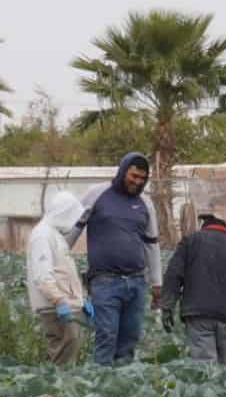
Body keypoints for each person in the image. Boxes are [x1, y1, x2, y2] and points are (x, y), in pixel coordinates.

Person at [67, 152, 162, 366]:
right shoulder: (97, 193)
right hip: (105, 281)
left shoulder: (146, 203)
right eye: (133, 176)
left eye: (142, 179)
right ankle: (101, 388)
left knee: (130, 339)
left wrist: (157, 282)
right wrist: (60, 257)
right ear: (122, 171)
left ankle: (123, 387)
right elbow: (73, 230)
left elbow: (152, 243)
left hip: (137, 282)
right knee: (106, 337)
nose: (137, 182)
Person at [160, 214, 226, 363]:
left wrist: (167, 307)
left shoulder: (190, 242)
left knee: (205, 370)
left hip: (198, 315)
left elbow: (173, 276)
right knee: (223, 373)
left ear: (205, 228)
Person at [26, 190, 93, 365]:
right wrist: (59, 301)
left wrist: (81, 299)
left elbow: (66, 272)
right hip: (55, 307)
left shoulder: (55, 235)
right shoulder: (42, 235)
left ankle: (60, 390)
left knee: (69, 353)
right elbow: (42, 275)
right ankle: (56, 389)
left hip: (67, 304)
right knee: (62, 357)